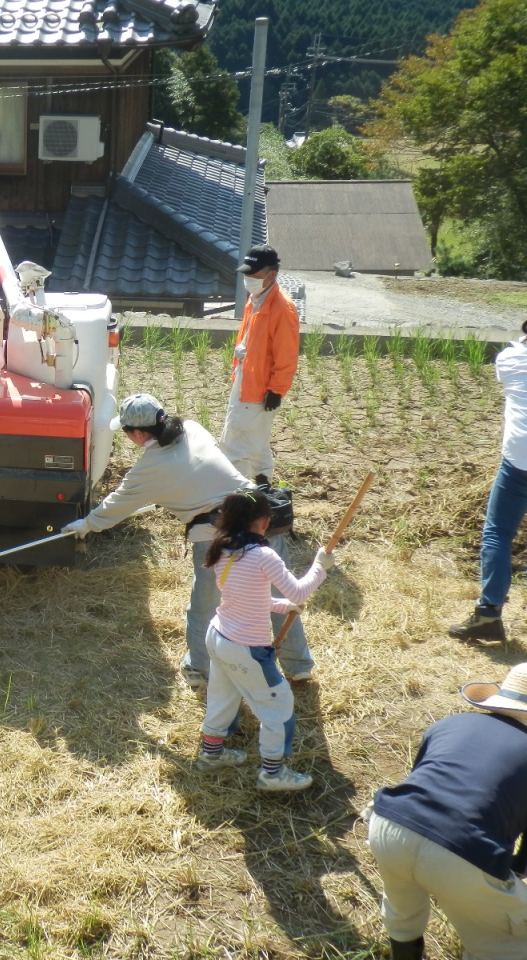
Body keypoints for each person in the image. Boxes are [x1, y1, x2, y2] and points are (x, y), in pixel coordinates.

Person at [62, 393, 317, 689]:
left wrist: (85, 524)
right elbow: (201, 470)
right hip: (262, 518)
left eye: (127, 431)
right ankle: (299, 666)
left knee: (205, 605)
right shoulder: (193, 428)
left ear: (139, 433)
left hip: (216, 536)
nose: (128, 436)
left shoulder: (147, 471)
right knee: (279, 596)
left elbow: (115, 506)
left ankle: (198, 668)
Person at [366, 663, 527, 960]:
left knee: (402, 910)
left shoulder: (451, 722)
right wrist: (511, 875)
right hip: (462, 846)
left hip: (389, 823)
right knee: (511, 941)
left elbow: (421, 779)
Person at [194, 491, 333, 792]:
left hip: (218, 636)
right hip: (247, 649)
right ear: (265, 521)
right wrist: (320, 567)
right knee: (279, 706)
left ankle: (211, 754)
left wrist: (281, 607)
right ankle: (273, 773)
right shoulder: (263, 555)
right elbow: (298, 591)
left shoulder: (223, 550)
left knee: (222, 696)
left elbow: (244, 597)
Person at [448, 320, 527, 646]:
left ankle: (488, 614)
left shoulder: (509, 360)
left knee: (497, 534)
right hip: (517, 460)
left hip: (519, 462)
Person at [219, 244, 300, 485]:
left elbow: (287, 356)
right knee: (258, 440)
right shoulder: (257, 297)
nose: (248, 279)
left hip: (258, 387)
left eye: (253, 274)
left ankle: (235, 498)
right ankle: (263, 485)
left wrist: (276, 390)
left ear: (271, 275)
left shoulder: (282, 308)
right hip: (247, 376)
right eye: (246, 273)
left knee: (237, 443)